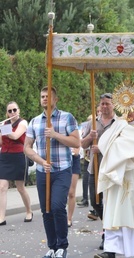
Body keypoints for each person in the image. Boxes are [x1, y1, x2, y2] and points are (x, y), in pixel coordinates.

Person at [95, 107, 134, 258]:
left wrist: (122, 143)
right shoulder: (119, 123)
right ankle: (110, 250)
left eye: (130, 108)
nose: (128, 112)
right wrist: (124, 143)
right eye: (124, 109)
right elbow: (105, 143)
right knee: (115, 210)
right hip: (120, 174)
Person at [24, 87, 80, 258]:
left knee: (57, 206)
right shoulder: (34, 121)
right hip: (43, 171)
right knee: (46, 210)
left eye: (48, 97)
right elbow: (26, 147)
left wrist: (55, 134)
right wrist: (40, 161)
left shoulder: (66, 117)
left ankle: (62, 246)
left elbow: (76, 142)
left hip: (62, 169)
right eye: (42, 96)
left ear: (56, 99)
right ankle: (52, 247)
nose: (44, 99)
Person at [81, 93, 117, 250]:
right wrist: (90, 136)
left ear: (113, 105)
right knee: (95, 202)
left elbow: (122, 146)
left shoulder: (119, 123)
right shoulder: (92, 123)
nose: (104, 107)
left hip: (112, 169)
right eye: (102, 104)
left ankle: (108, 234)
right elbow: (82, 144)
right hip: (94, 168)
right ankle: (107, 227)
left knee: (110, 204)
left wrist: (101, 147)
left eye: (107, 104)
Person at [0, 101, 33, 226]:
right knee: (2, 187)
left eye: (14, 110)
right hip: (4, 156)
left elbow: (15, 136)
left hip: (19, 155)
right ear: (7, 113)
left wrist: (3, 128)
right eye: (10, 111)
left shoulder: (23, 123)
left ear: (18, 110)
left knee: (20, 187)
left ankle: (29, 211)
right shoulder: (5, 123)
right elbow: (1, 143)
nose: (12, 112)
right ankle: (1, 217)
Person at [67, 148, 81, 227]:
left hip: (73, 159)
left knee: (71, 193)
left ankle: (69, 218)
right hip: (60, 159)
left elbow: (76, 150)